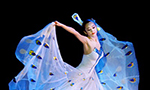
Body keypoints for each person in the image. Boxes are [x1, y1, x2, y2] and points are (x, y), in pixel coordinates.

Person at [9, 13, 139, 90]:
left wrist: (83, 22)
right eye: (89, 29)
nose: (92, 31)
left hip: (92, 77)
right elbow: (74, 31)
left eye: (93, 28)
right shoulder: (86, 41)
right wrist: (60, 25)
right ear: (85, 32)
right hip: (80, 75)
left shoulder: (99, 41)